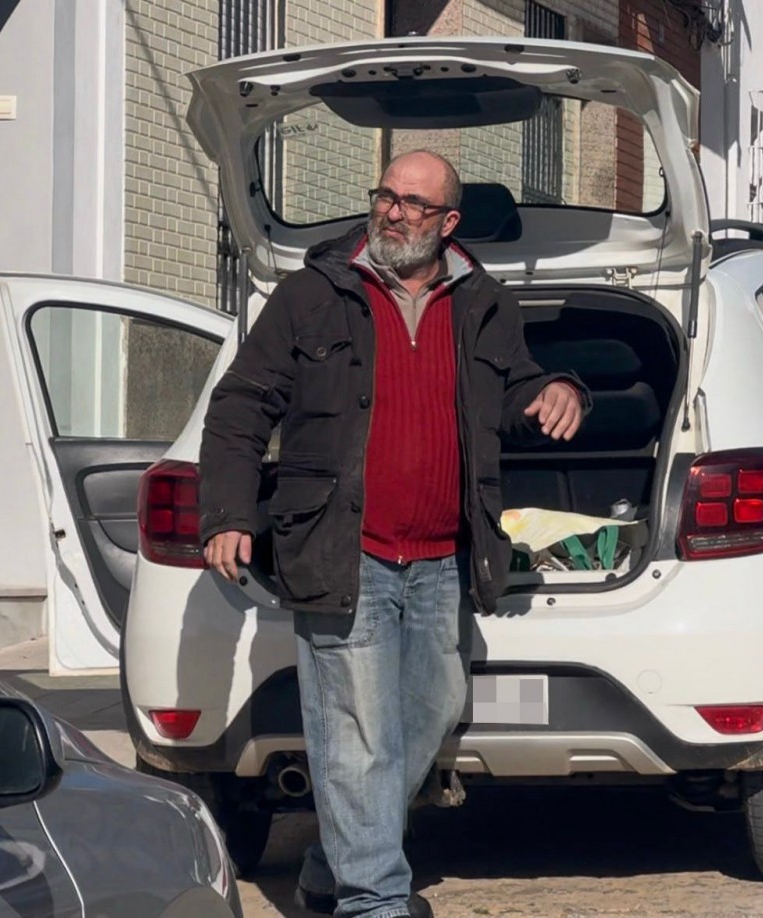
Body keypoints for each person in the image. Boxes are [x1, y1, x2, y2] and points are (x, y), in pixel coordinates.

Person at [197, 149, 588, 918]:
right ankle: (373, 899)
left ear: (448, 222)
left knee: (432, 711)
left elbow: (516, 386)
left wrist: (556, 390)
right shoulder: (313, 294)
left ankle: (331, 865)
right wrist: (229, 513)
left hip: (443, 559)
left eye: (414, 203)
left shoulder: (483, 301)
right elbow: (240, 405)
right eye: (385, 195)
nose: (393, 212)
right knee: (357, 736)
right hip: (346, 554)